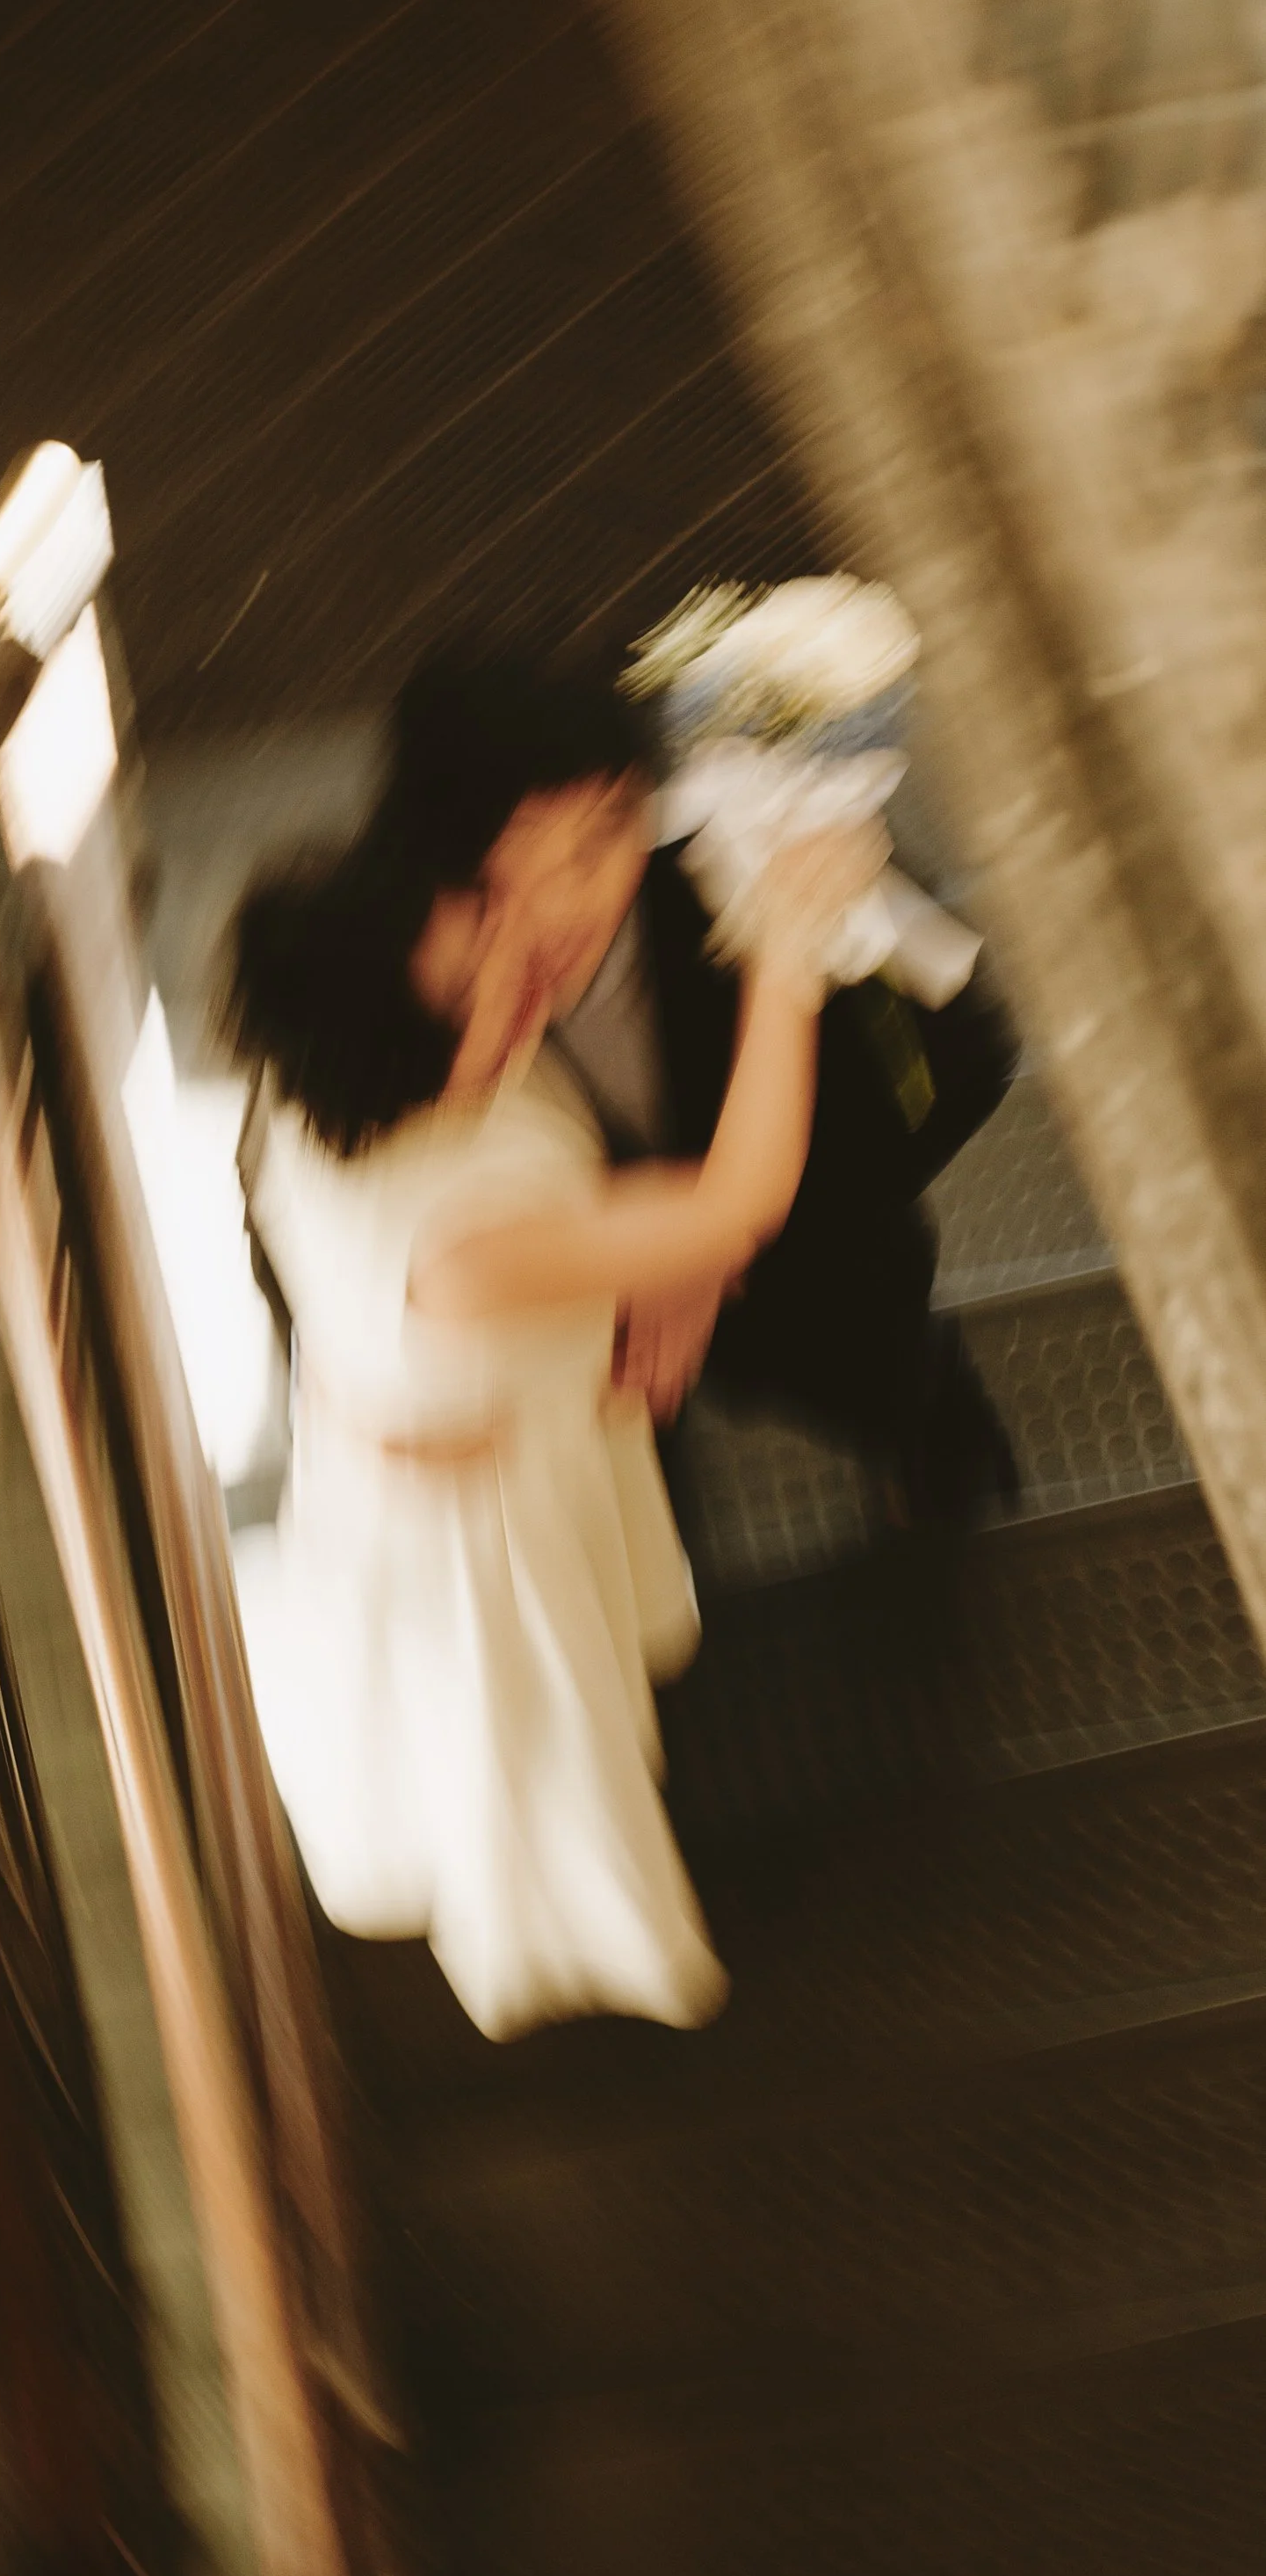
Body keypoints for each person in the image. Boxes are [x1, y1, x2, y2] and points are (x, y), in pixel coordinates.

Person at [228, 744, 880, 2041]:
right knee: (530, 1751)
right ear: (409, 1050)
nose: (524, 965)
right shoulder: (464, 1248)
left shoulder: (321, 1091)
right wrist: (787, 952)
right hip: (479, 1516)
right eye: (485, 980)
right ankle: (577, 1944)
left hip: (490, 1431)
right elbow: (735, 1204)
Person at [390, 650, 1022, 1528]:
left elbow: (973, 1053)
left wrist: (712, 1251)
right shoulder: (407, 947)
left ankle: (946, 1460)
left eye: (589, 851)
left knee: (893, 1392)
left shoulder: (760, 842)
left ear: (641, 805)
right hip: (578, 1323)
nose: (555, 910)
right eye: (504, 874)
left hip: (821, 1282)